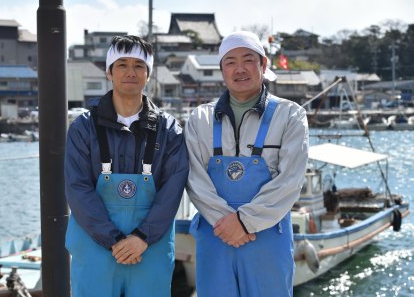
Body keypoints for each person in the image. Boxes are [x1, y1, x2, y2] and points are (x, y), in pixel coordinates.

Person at [185, 31, 309, 296]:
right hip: (216, 235)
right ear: (221, 70)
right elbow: (194, 178)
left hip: (267, 238)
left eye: (248, 60)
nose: (239, 69)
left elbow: (291, 180)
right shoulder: (199, 119)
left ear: (263, 65)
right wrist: (227, 223)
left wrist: (244, 223)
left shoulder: (291, 115)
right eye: (230, 62)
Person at [64, 35, 189, 297]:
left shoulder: (169, 129)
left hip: (149, 249)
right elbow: (78, 189)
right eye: (122, 64)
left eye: (139, 65)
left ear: (148, 74)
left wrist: (141, 238)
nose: (130, 72)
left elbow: (173, 189)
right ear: (109, 72)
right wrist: (115, 240)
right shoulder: (83, 127)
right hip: (94, 246)